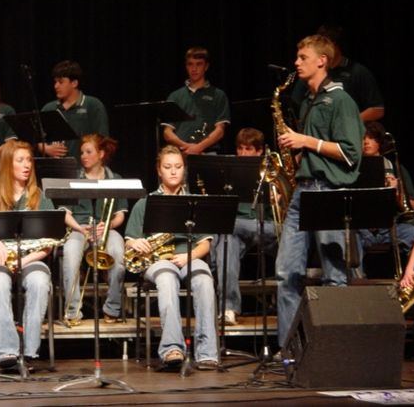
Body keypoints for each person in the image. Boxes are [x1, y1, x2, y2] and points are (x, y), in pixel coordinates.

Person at [275, 35, 364, 350]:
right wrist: (296, 153)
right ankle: (290, 351)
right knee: (286, 273)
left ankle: (336, 350)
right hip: (302, 193)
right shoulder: (309, 100)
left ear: (321, 61)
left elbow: (352, 153)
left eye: (302, 57)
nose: (296, 62)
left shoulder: (340, 100)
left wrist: (305, 142)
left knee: (333, 276)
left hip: (328, 191)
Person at [0, 140, 78, 369]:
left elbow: (48, 244)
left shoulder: (40, 197)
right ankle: (7, 353)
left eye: (29, 160)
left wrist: (25, 260)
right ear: (7, 164)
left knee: (40, 281)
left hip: (30, 258)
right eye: (20, 160)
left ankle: (29, 351)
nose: (26, 165)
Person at [125, 145, 218, 370]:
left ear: (184, 169)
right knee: (166, 280)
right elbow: (129, 240)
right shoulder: (145, 202)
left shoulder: (193, 201)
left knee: (205, 280)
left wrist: (188, 257)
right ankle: (172, 349)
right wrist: (134, 242)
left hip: (188, 257)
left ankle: (207, 352)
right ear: (159, 170)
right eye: (168, 167)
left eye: (178, 167)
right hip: (157, 260)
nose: (174, 171)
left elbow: (205, 243)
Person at [211, 128, 277, 326]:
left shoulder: (271, 171)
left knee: (226, 230)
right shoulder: (230, 172)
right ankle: (229, 308)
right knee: (226, 241)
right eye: (240, 148)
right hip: (237, 231)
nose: (243, 153)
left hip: (268, 227)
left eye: (248, 149)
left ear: (259, 152)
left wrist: (277, 199)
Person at [61, 134, 127, 325]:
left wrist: (106, 226)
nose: (83, 156)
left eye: (88, 152)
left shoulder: (116, 179)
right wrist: (80, 229)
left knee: (117, 251)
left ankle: (112, 308)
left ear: (101, 153)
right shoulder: (73, 177)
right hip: (79, 228)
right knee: (71, 252)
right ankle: (73, 311)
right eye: (82, 152)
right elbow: (65, 213)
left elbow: (120, 215)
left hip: (105, 228)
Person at [290, 24, 384, 122]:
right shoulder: (311, 73)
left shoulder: (357, 72)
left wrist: (347, 123)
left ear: (334, 45)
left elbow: (377, 109)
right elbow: (295, 104)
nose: (297, 63)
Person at [356, 121, 414, 267]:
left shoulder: (395, 168)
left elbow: (412, 205)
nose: (366, 142)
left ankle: (411, 280)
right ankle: (357, 282)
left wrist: (395, 191)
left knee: (411, 231)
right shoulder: (352, 170)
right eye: (363, 138)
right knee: (346, 236)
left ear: (380, 142)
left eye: (371, 138)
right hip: (361, 228)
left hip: (389, 228)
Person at [162, 47, 230, 155]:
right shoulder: (175, 96)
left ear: (206, 66)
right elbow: (167, 132)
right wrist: (187, 147)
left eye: (199, 64)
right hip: (180, 153)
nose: (194, 69)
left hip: (208, 153)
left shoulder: (218, 95)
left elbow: (220, 130)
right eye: (190, 64)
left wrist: (199, 147)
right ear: (186, 66)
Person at [40, 60, 109, 160]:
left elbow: (102, 140)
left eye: (61, 82)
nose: (56, 86)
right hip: (55, 168)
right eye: (55, 82)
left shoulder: (93, 105)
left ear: (74, 83)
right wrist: (45, 148)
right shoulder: (48, 108)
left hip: (83, 169)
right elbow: (37, 139)